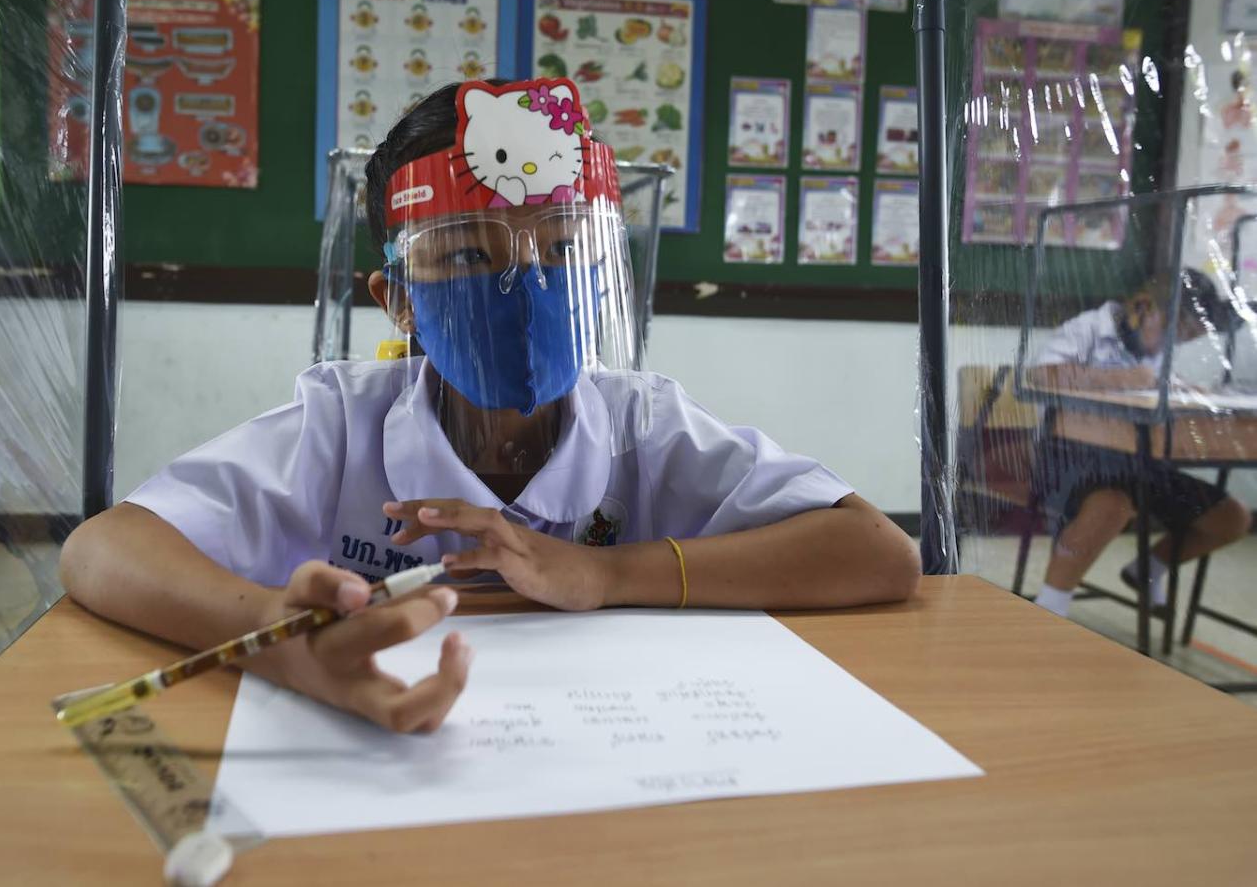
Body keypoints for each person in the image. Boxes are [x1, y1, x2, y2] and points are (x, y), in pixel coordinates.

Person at [60, 78, 919, 733]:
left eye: (563, 251)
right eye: (466, 256)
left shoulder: (641, 421)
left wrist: (607, 572)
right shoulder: (341, 422)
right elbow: (102, 550)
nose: (527, 285)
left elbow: (879, 554)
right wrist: (283, 648)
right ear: (396, 301)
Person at [1027, 268, 1250, 617]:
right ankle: (1050, 606)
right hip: (1068, 457)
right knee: (1112, 505)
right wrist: (1121, 378)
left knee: (1231, 517)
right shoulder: (1088, 328)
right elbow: (1039, 375)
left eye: (1182, 339)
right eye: (1170, 331)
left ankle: (1149, 570)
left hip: (1138, 461)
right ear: (1143, 306)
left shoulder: (1154, 351)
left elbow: (1157, 387)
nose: (1169, 344)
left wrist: (1193, 393)